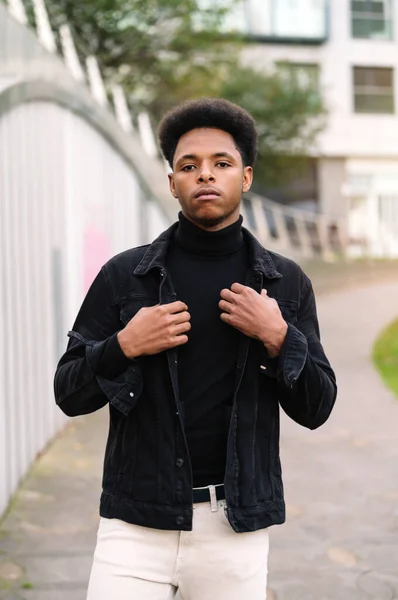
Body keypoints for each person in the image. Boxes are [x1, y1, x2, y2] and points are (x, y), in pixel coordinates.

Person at [54, 98, 337, 600]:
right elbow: (68, 392)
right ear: (172, 183)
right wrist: (124, 345)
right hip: (135, 523)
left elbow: (317, 407)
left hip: (234, 527)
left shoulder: (285, 284)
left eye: (221, 164)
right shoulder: (125, 276)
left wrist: (278, 335)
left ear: (245, 177)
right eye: (189, 165)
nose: (205, 175)